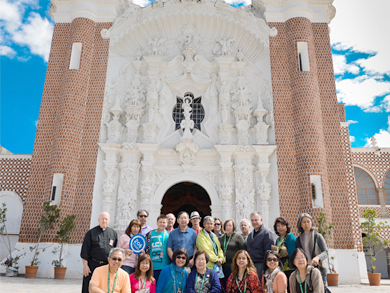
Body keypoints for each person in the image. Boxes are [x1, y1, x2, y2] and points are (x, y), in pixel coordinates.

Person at [81, 212, 118, 293]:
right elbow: (85, 250)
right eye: (102, 219)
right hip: (92, 265)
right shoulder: (91, 233)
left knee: (104, 287)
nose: (104, 221)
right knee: (89, 287)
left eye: (106, 219)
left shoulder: (113, 233)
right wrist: (85, 266)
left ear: (109, 220)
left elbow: (115, 251)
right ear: (98, 220)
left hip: (106, 266)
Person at [296, 213, 328, 283]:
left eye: (308, 221)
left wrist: (317, 258)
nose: (306, 224)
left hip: (319, 269)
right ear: (300, 224)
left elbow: (325, 252)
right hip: (305, 270)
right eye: (304, 222)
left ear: (311, 223)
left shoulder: (318, 236)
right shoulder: (298, 239)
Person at [246, 212, 274, 280]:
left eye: (256, 220)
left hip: (261, 265)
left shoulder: (267, 233)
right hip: (251, 265)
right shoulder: (250, 235)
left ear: (261, 220)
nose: (254, 222)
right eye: (252, 220)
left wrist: (265, 267)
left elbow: (268, 252)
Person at [219, 219, 246, 290]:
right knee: (225, 286)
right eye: (227, 225)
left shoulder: (238, 237)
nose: (228, 227)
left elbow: (243, 251)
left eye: (230, 225)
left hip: (234, 266)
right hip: (223, 267)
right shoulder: (221, 238)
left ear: (233, 227)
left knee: (234, 285)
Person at [271, 217, 296, 292]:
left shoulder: (290, 236)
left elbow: (291, 252)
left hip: (290, 269)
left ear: (286, 226)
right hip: (281, 269)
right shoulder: (278, 239)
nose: (280, 228)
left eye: (282, 225)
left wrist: (276, 249)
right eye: (278, 226)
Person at [145, 214, 170, 282]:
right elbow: (145, 248)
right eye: (160, 222)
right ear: (157, 223)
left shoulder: (169, 235)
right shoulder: (149, 234)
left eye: (164, 222)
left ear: (167, 223)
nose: (162, 224)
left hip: (165, 266)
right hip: (152, 267)